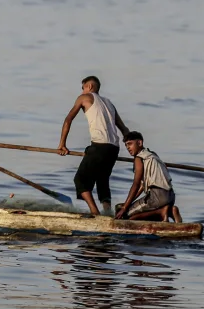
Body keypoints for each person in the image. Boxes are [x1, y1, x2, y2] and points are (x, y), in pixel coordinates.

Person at [57, 75, 130, 215]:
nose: (82, 91)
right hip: (113, 148)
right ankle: (107, 212)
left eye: (83, 87)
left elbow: (68, 120)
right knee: (102, 180)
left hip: (99, 146)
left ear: (89, 87)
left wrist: (62, 145)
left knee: (80, 180)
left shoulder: (84, 97)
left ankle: (95, 213)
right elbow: (124, 129)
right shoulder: (109, 103)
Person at [115, 132, 180, 222]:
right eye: (126, 145)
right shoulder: (153, 155)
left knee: (124, 216)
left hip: (157, 196)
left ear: (139, 143)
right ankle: (168, 211)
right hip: (170, 196)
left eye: (130, 144)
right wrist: (128, 203)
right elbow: (142, 185)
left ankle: (162, 212)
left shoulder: (139, 158)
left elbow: (136, 184)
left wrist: (125, 208)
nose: (128, 148)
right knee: (129, 209)